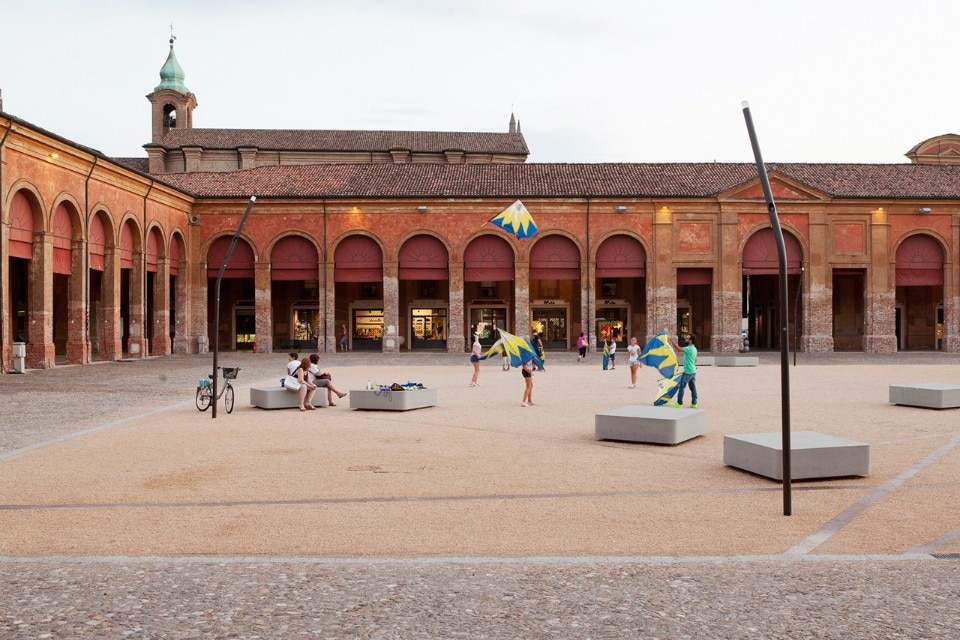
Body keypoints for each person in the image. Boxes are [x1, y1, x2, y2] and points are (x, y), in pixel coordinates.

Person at [668, 333, 698, 408]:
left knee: (682, 387)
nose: (685, 339)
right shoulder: (694, 349)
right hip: (693, 371)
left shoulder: (689, 349)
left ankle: (679, 403)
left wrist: (671, 341)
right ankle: (694, 403)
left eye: (687, 338)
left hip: (688, 371)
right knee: (693, 387)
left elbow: (678, 349)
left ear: (691, 341)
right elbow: (695, 360)